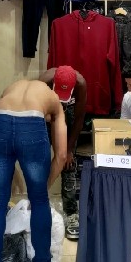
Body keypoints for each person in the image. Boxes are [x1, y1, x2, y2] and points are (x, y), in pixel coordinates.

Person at [0, 79, 67, 262]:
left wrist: (13, 173)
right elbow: (62, 155)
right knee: (40, 202)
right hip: (32, 128)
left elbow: (9, 132)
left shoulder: (12, 88)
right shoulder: (54, 101)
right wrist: (43, 188)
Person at [38, 66, 87, 241]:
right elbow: (35, 114)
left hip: (70, 115)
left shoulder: (81, 84)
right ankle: (38, 205)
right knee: (41, 160)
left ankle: (71, 212)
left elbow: (79, 119)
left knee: (68, 163)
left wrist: (69, 149)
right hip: (45, 114)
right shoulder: (43, 82)